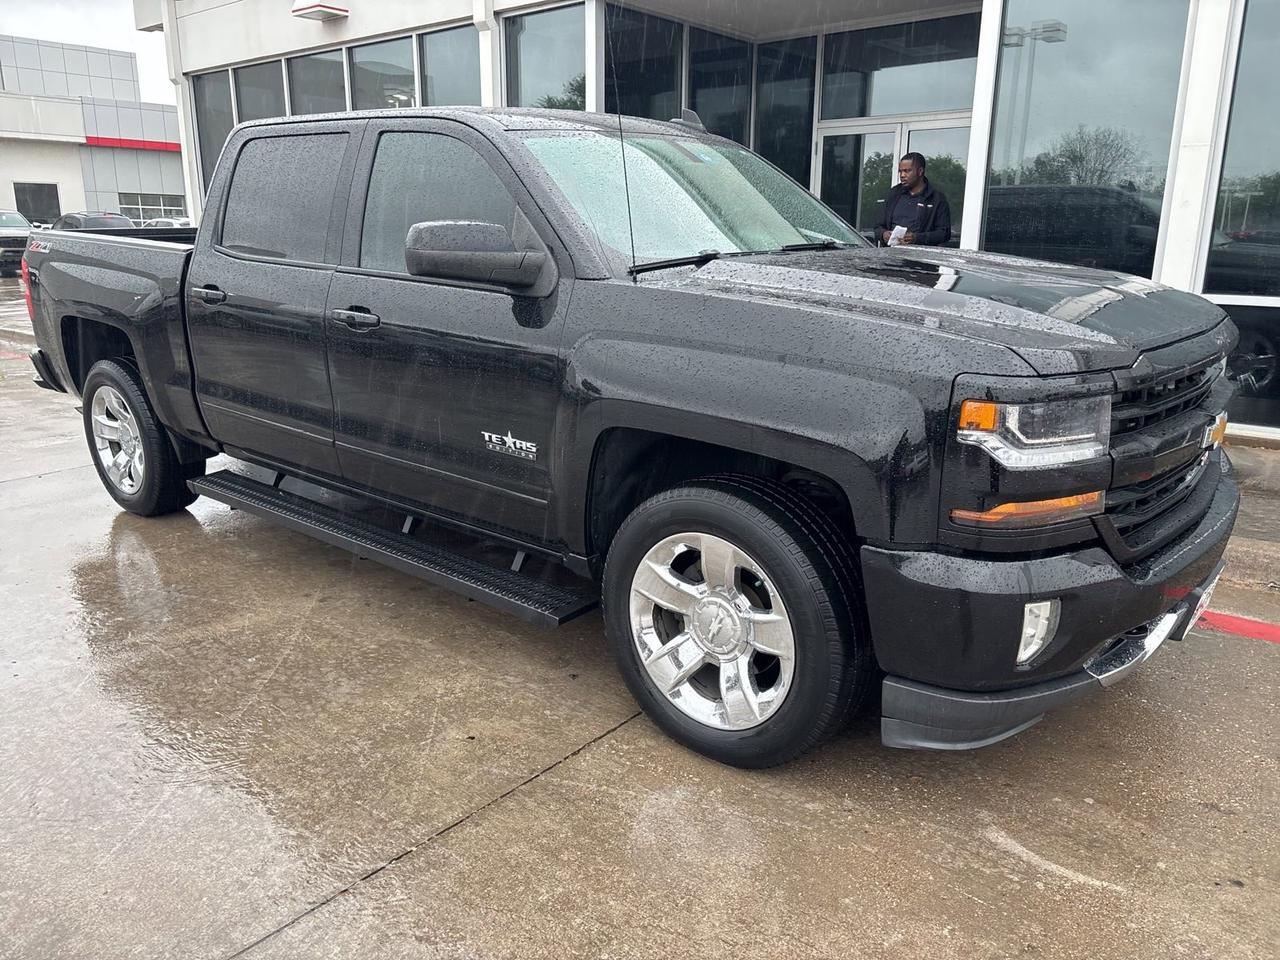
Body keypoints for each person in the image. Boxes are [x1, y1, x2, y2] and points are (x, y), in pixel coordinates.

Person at [874, 152, 952, 247]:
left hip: (920, 257)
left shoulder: (936, 199)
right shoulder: (893, 194)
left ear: (920, 171)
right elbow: (877, 227)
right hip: (891, 254)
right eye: (900, 171)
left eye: (907, 171)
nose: (902, 175)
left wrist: (916, 238)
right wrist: (883, 234)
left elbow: (944, 233)